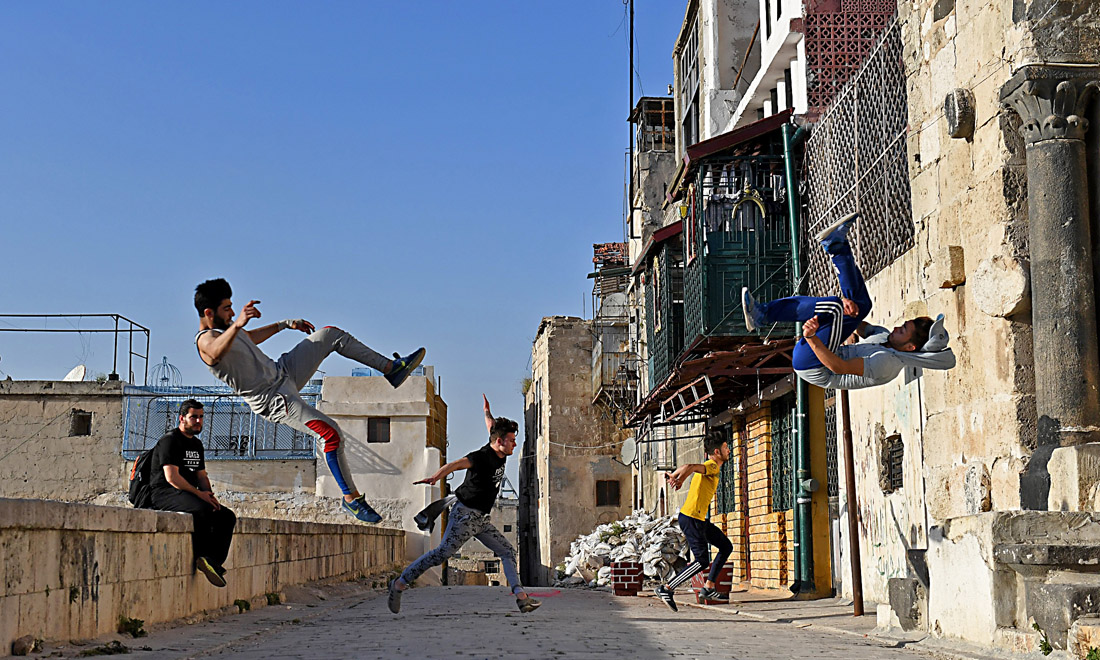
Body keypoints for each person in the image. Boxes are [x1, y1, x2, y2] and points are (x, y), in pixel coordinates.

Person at [193, 278, 425, 524]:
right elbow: (216, 350)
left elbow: (249, 337)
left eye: (232, 308)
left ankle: (391, 369)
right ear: (209, 313)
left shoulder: (229, 329)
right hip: (274, 399)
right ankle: (351, 499)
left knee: (330, 335)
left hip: (283, 371)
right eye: (227, 309)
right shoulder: (204, 341)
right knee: (330, 434)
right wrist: (238, 323)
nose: (231, 313)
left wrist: (284, 324)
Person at [742, 212, 955, 390]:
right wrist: (850, 311)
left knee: (834, 306)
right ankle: (836, 246)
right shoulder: (883, 336)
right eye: (902, 325)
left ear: (910, 347)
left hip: (814, 365)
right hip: (822, 349)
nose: (897, 327)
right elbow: (858, 323)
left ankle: (762, 315)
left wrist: (813, 337)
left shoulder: (888, 364)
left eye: (903, 330)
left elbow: (838, 367)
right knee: (862, 306)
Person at [387, 395, 540, 615]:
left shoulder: (499, 446)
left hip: (481, 520)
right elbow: (455, 465)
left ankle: (521, 598)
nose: (515, 444)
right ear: (499, 441)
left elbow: (491, 425)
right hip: (464, 517)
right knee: (440, 554)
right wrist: (435, 477)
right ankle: (400, 583)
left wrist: (486, 411)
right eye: (512, 440)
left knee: (507, 551)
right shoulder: (481, 457)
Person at [149, 399, 236, 588]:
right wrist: (199, 495)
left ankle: (212, 562)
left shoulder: (196, 444)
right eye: (194, 417)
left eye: (201, 417)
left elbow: (201, 475)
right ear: (182, 418)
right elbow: (172, 477)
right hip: (165, 493)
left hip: (188, 493)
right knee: (201, 509)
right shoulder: (169, 441)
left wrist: (209, 495)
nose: (198, 421)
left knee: (226, 516)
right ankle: (202, 555)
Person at [653, 429, 734, 611]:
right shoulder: (712, 466)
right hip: (692, 519)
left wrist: (676, 476)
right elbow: (690, 466)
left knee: (725, 546)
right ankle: (666, 588)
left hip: (697, 520)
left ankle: (708, 587)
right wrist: (679, 478)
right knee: (702, 560)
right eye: (725, 447)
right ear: (717, 452)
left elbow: (687, 467)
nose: (728, 450)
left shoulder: (708, 466)